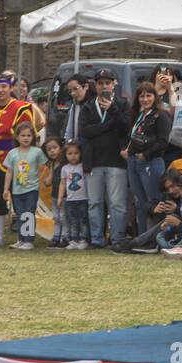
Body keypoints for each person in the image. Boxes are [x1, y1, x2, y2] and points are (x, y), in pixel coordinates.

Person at [0, 73, 36, 248]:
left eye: (4, 87)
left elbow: (27, 134)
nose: (0, 90)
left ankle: (26, 239)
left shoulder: (21, 107)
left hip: (16, 159)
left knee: (23, 200)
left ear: (11, 89)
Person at [80, 69, 129, 248]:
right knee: (94, 203)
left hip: (116, 160)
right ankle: (97, 239)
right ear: (95, 85)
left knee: (117, 203)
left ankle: (117, 238)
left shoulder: (122, 104)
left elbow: (125, 128)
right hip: (94, 161)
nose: (104, 86)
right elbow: (85, 131)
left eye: (107, 83)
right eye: (100, 83)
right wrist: (109, 125)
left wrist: (113, 111)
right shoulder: (88, 106)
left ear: (113, 84)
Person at [122, 81, 171, 233]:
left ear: (155, 97)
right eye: (142, 96)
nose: (145, 99)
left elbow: (163, 142)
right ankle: (142, 237)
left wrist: (146, 154)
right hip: (133, 161)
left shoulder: (161, 116)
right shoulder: (137, 115)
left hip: (151, 162)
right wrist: (127, 150)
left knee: (154, 202)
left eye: (148, 95)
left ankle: (154, 237)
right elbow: (132, 136)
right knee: (140, 203)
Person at [4, 121, 47, 249]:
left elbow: (43, 167)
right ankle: (21, 239)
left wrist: (39, 180)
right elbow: (9, 172)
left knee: (29, 213)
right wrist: (6, 189)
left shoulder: (37, 152)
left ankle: (29, 240)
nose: (26, 138)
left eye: (29, 135)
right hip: (17, 190)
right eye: (23, 135)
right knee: (21, 214)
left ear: (33, 137)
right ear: (17, 137)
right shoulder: (12, 153)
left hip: (31, 189)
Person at [58, 141, 90, 249]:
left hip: (83, 198)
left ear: (80, 153)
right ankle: (74, 240)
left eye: (76, 153)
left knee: (83, 220)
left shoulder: (83, 166)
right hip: (70, 200)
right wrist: (60, 197)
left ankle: (83, 239)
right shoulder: (64, 168)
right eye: (70, 154)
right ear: (65, 155)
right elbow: (62, 183)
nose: (73, 156)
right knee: (72, 220)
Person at [41, 136, 66, 248]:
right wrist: (46, 181)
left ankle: (65, 237)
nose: (52, 151)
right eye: (49, 149)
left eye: (54, 147)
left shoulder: (64, 163)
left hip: (65, 196)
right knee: (56, 217)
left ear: (61, 148)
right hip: (55, 195)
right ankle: (56, 237)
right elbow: (49, 179)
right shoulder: (52, 164)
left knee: (63, 217)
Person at [59, 75, 93, 143]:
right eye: (70, 91)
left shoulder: (95, 104)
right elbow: (69, 131)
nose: (73, 93)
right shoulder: (74, 106)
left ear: (86, 86)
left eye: (75, 88)